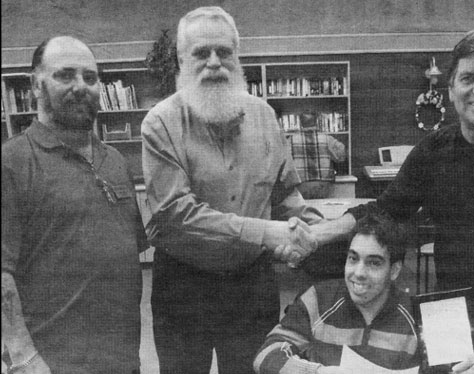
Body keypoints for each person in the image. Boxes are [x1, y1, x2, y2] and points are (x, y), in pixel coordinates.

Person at [298, 26, 474, 374]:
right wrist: (317, 235)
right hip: (448, 317)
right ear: (452, 88)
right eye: (468, 77)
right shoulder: (435, 149)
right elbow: (386, 209)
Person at [141, 6, 322, 374]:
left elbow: (286, 195)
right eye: (201, 53)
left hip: (250, 286)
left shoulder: (265, 116)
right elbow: (176, 213)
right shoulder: (160, 123)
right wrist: (267, 232)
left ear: (237, 56)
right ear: (181, 58)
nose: (214, 62)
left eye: (224, 52)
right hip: (184, 285)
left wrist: (307, 231)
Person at [2, 36, 147, 373]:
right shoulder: (12, 162)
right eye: (65, 75)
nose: (81, 86)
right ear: (36, 86)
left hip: (122, 358)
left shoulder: (113, 160)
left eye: (90, 77)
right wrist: (23, 357)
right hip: (51, 362)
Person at [253, 213, 421, 374]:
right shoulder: (318, 299)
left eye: (374, 263)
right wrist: (318, 372)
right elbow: (265, 355)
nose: (359, 272)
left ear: (394, 270)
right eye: (353, 259)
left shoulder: (416, 319)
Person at [289, 111, 347, 199]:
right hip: (324, 183)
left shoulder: (291, 140)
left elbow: (283, 162)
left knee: (305, 211)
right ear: (316, 121)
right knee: (323, 210)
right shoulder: (328, 139)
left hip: (301, 184)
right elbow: (341, 156)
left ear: (300, 122)